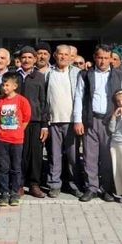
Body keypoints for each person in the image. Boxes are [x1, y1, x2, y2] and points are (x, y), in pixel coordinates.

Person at [74, 44, 122, 202]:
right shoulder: (85, 75)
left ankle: (106, 188)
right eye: (99, 57)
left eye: (106, 58)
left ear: (110, 58)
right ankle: (92, 188)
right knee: (90, 156)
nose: (103, 61)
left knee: (107, 156)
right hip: (91, 120)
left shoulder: (118, 75)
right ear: (95, 57)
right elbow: (78, 97)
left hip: (110, 121)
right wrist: (78, 120)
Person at [46, 45, 82, 198]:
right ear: (55, 55)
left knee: (73, 156)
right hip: (53, 121)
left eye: (66, 55)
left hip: (71, 121)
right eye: (60, 54)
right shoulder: (48, 73)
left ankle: (74, 184)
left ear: (71, 57)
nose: (63, 57)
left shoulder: (77, 73)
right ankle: (54, 184)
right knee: (54, 155)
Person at [16, 46, 49, 198]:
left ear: (35, 59)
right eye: (24, 57)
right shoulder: (13, 76)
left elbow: (43, 101)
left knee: (36, 155)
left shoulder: (40, 77)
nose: (27, 60)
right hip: (16, 122)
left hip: (35, 121)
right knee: (19, 154)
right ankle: (19, 184)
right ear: (19, 59)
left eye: (30, 57)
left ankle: (34, 184)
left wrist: (44, 124)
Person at [0, 72, 32, 207]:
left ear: (15, 86)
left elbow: (26, 117)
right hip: (2, 139)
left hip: (16, 140)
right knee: (3, 167)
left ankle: (14, 192)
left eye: (7, 85)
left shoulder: (22, 101)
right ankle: (4, 193)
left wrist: (19, 130)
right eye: (3, 85)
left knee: (16, 167)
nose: (4, 88)